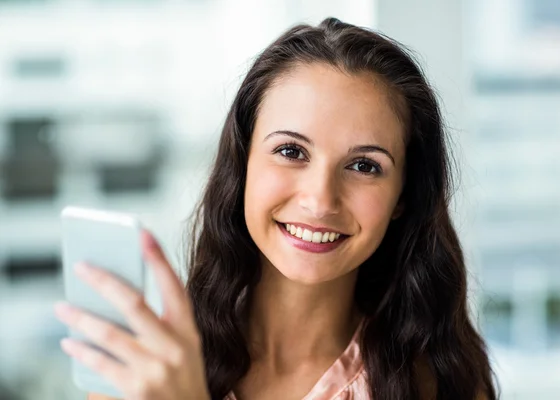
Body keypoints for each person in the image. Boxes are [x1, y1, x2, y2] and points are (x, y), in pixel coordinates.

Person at [54, 17, 497, 400]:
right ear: (243, 162)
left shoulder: (438, 385)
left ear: (403, 195)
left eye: (364, 165)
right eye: (291, 151)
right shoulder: (147, 371)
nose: (320, 200)